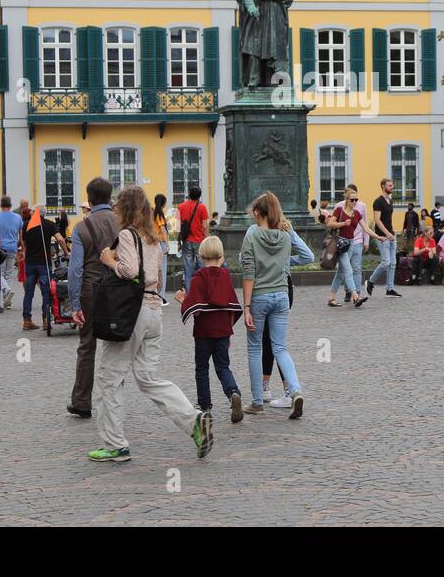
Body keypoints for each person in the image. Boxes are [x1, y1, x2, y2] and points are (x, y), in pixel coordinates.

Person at [72, 184, 213, 463]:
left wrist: (109, 260)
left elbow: (128, 271)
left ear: (123, 209)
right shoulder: (154, 239)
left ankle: (115, 445)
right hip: (153, 312)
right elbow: (158, 279)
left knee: (109, 378)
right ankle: (193, 420)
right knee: (149, 378)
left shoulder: (126, 235)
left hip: (132, 314)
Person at [240, 191, 304, 418]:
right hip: (281, 295)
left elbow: (248, 272)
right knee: (280, 347)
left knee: (255, 348)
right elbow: (296, 259)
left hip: (259, 297)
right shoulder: (285, 236)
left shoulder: (252, 234)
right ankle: (295, 391)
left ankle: (257, 401)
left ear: (258, 212)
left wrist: (246, 307)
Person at [66, 178, 119, 419]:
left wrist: (74, 303)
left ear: (90, 198)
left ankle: (82, 400)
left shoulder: (81, 227)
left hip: (90, 289)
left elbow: (75, 269)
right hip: (118, 288)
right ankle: (113, 401)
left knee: (87, 345)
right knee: (118, 343)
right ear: (109, 197)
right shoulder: (122, 223)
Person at [179, 235, 244, 423]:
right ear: (221, 255)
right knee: (223, 366)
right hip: (223, 331)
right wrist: (228, 330)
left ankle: (205, 406)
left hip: (203, 332)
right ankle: (233, 392)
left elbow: (196, 311)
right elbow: (232, 306)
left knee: (202, 368)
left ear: (201, 255)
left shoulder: (198, 277)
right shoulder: (225, 276)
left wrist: (183, 301)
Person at [263, 216, 314, 408]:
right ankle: (273, 387)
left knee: (269, 341)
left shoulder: (260, 231)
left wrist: (281, 262)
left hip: (267, 286)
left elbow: (246, 258)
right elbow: (308, 256)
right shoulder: (286, 229)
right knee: (275, 340)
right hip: (285, 287)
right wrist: (286, 262)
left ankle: (274, 389)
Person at [20, 206, 66, 331]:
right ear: (44, 214)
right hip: (43, 263)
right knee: (46, 292)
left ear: (35, 213)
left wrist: (25, 252)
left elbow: (23, 242)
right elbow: (60, 239)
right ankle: (46, 320)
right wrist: (67, 252)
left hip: (30, 262)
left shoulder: (26, 225)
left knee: (28, 293)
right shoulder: (49, 224)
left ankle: (26, 321)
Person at [325, 188, 366, 307]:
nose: (354, 202)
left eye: (356, 200)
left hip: (351, 244)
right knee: (348, 271)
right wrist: (343, 223)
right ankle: (355, 296)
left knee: (340, 273)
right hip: (340, 245)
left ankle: (331, 298)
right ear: (347, 200)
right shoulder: (339, 210)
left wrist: (378, 236)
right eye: (352, 200)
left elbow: (365, 228)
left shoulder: (357, 213)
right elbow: (330, 223)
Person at [366, 177, 402, 299]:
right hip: (382, 236)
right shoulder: (378, 201)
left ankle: (390, 289)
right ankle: (370, 282)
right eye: (390, 185)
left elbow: (388, 219)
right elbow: (377, 220)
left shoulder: (390, 201)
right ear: (383, 187)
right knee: (386, 262)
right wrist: (387, 234)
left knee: (392, 263)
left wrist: (392, 233)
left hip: (392, 235)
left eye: (392, 185)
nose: (392, 187)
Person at [176, 186, 208, 293]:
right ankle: (201, 291)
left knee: (188, 269)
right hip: (199, 241)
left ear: (189, 194)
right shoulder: (202, 207)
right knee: (201, 267)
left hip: (187, 240)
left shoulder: (181, 207)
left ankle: (189, 294)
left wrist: (178, 241)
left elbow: (177, 226)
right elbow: (205, 226)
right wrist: (206, 239)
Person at [0, 196, 23, 309]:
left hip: (0, 249)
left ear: (1, 205)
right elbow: (21, 235)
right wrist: (22, 249)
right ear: (10, 205)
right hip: (12, 247)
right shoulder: (18, 217)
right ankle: (7, 301)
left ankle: (7, 290)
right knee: (9, 274)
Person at [153, 193, 169, 286]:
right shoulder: (160, 214)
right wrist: (167, 245)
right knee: (162, 269)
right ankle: (162, 296)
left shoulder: (153, 213)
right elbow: (163, 230)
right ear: (163, 203)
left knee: (156, 269)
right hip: (161, 243)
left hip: (154, 242)